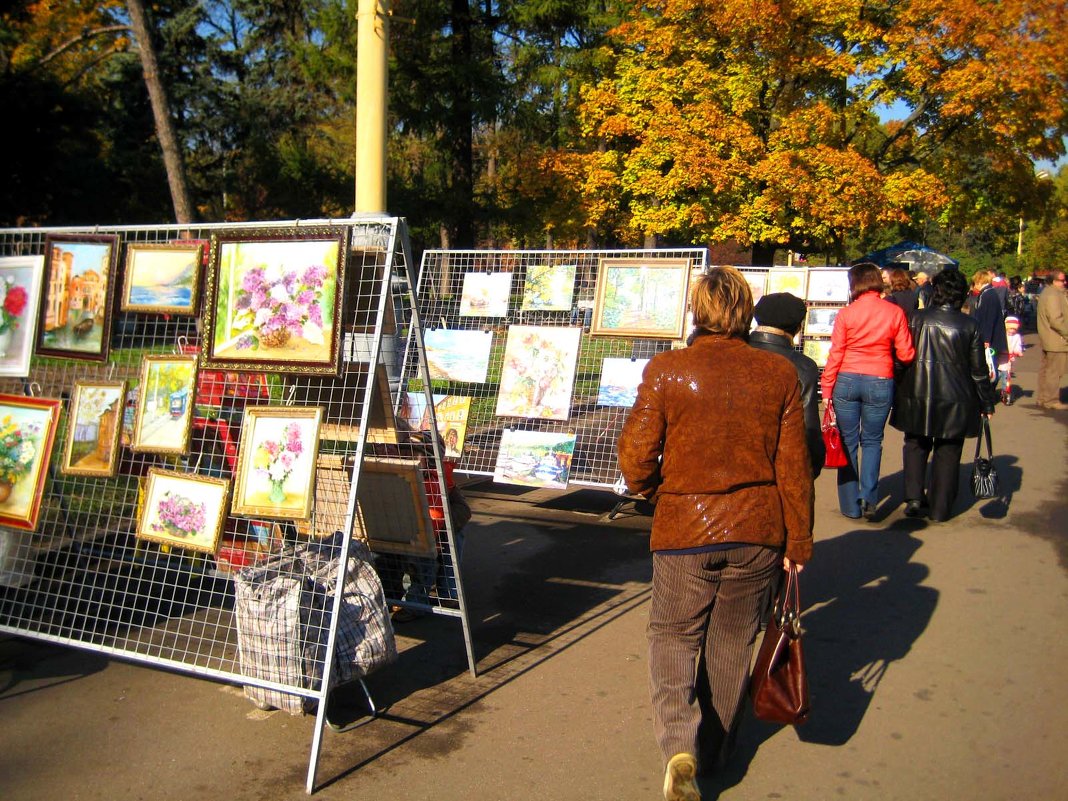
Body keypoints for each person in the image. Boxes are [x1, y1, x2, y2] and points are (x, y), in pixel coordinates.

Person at [617, 267, 813, 801]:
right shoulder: (777, 375)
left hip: (685, 528)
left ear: (697, 312)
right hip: (758, 529)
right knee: (731, 643)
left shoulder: (668, 369)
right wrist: (798, 543)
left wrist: (658, 491)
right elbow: (792, 468)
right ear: (745, 311)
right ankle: (717, 750)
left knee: (675, 636)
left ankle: (680, 745)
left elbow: (636, 455)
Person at [890, 269, 998, 521]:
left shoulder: (914, 319)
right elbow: (978, 370)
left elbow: (900, 357)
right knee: (948, 450)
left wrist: (898, 383)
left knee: (916, 444)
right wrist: (987, 403)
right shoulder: (969, 325)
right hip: (957, 397)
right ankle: (941, 508)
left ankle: (914, 498)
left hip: (916, 391)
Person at [820, 262, 915, 520]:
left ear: (855, 284)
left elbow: (836, 353)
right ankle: (869, 496)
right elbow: (906, 354)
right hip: (880, 380)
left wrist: (827, 387)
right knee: (872, 441)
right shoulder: (894, 312)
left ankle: (850, 505)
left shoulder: (847, 314)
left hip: (846, 380)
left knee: (847, 442)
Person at [748, 292, 825, 476]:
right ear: (798, 327)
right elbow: (808, 430)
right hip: (778, 468)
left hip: (730, 463)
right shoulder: (803, 367)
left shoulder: (733, 352)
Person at [1036, 269, 1068, 410]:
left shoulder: (1048, 292)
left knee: (1047, 370)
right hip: (1056, 339)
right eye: (1062, 280)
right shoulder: (1053, 295)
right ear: (1054, 281)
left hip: (1049, 338)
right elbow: (1056, 319)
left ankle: (1043, 398)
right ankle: (1051, 400)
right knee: (1055, 372)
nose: (1065, 282)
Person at [968, 270, 1008, 383]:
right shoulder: (988, 293)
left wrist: (986, 339)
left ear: (980, 281)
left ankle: (989, 390)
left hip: (990, 336)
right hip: (989, 334)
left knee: (990, 364)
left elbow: (989, 319)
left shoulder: (988, 294)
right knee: (989, 364)